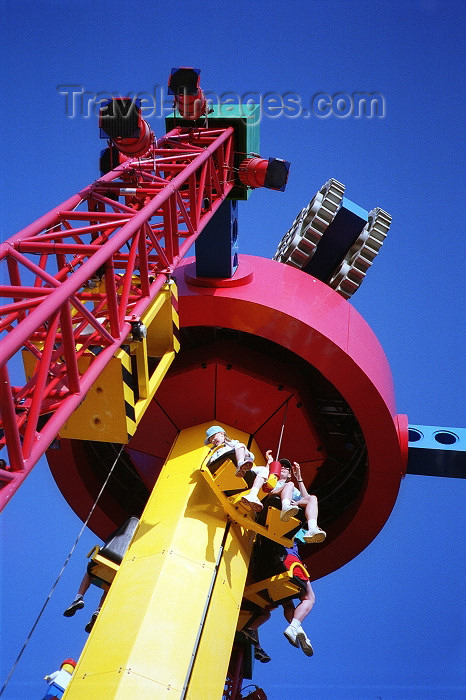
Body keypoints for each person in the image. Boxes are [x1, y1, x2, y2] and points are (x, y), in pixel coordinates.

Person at [243, 539, 316, 657]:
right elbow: (306, 537)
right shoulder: (296, 530)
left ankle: (298, 630)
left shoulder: (258, 540)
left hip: (267, 571)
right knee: (309, 598)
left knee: (287, 604)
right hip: (289, 562)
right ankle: (294, 627)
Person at [241, 453, 326, 543]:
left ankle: (312, 528)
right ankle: (286, 507)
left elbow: (306, 498)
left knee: (313, 498)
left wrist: (299, 478)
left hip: (290, 506)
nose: (283, 468)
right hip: (270, 497)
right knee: (290, 485)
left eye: (286, 467)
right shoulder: (271, 479)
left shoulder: (294, 489)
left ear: (289, 474)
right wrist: (269, 463)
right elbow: (263, 477)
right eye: (281, 466)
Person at [63, 562, 107, 633]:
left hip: (102, 562)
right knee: (109, 586)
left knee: (89, 572)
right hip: (120, 566)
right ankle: (99, 610)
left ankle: (79, 598)